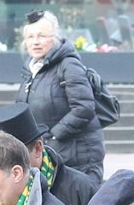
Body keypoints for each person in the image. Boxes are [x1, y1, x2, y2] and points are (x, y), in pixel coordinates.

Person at [16, 11, 105, 174]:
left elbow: (84, 107)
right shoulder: (32, 70)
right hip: (52, 155)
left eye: (42, 36)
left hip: (78, 158)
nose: (35, 42)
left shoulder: (68, 65)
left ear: (55, 38)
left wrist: (53, 136)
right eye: (30, 37)